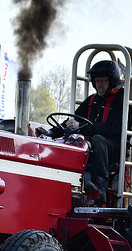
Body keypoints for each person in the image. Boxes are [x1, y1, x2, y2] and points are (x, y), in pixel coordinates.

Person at [40, 60, 126, 205]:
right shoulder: (92, 100)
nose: (99, 85)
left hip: (113, 148)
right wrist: (51, 133)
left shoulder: (120, 99)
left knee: (97, 139)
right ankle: (61, 184)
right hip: (92, 146)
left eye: (103, 81)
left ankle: (101, 186)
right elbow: (71, 121)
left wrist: (82, 126)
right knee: (70, 140)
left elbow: (111, 128)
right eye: (97, 81)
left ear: (111, 81)